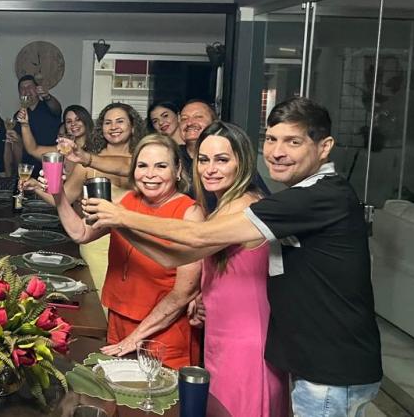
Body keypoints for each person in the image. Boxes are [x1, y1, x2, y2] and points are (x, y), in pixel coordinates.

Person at [83, 98, 382, 415]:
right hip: (282, 349)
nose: (277, 152)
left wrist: (122, 216)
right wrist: (119, 224)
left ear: (324, 147)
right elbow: (177, 256)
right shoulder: (289, 197)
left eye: (293, 142)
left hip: (323, 361)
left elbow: (197, 236)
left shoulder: (314, 196)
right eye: (271, 139)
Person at [113, 121, 289, 416]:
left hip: (247, 342)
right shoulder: (224, 204)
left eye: (222, 160)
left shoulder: (243, 205)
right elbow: (216, 266)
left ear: (242, 162)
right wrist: (204, 293)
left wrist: (122, 219)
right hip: (221, 334)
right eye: (204, 160)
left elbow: (177, 253)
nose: (210, 169)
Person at [51, 133, 203, 369]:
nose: (150, 174)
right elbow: (81, 233)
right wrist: (58, 194)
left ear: (178, 170)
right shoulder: (129, 201)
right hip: (119, 319)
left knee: (155, 391)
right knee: (115, 388)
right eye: (142, 166)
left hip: (163, 329)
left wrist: (135, 338)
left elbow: (184, 292)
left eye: (161, 166)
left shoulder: (189, 212)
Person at [28, 103, 145, 295]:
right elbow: (64, 198)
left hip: (139, 246)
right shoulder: (86, 163)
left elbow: (127, 166)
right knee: (101, 302)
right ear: (101, 129)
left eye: (120, 121)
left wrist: (87, 158)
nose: (113, 127)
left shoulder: (145, 162)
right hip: (96, 242)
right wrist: (39, 187)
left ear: (133, 127)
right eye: (107, 122)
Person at [15, 75, 61, 170]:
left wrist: (47, 96)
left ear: (37, 90)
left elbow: (57, 108)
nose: (26, 91)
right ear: (19, 94)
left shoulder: (49, 108)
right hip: (27, 167)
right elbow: (18, 145)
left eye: (29, 87)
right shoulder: (18, 116)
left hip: (50, 163)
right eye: (22, 88)